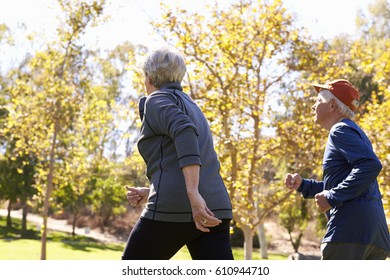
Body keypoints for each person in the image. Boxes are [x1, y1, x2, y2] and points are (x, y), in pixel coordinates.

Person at [122, 47, 234, 260]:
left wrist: (193, 195)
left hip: (180, 209)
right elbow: (179, 155)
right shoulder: (192, 105)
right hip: (216, 208)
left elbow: (184, 130)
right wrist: (153, 191)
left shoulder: (156, 99)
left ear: (150, 76)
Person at [284, 79, 390, 260]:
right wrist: (304, 186)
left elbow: (370, 166)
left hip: (349, 232)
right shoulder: (355, 133)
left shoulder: (340, 130)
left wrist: (333, 197)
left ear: (332, 105)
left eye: (317, 101)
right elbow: (349, 183)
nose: (313, 107)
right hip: (375, 237)